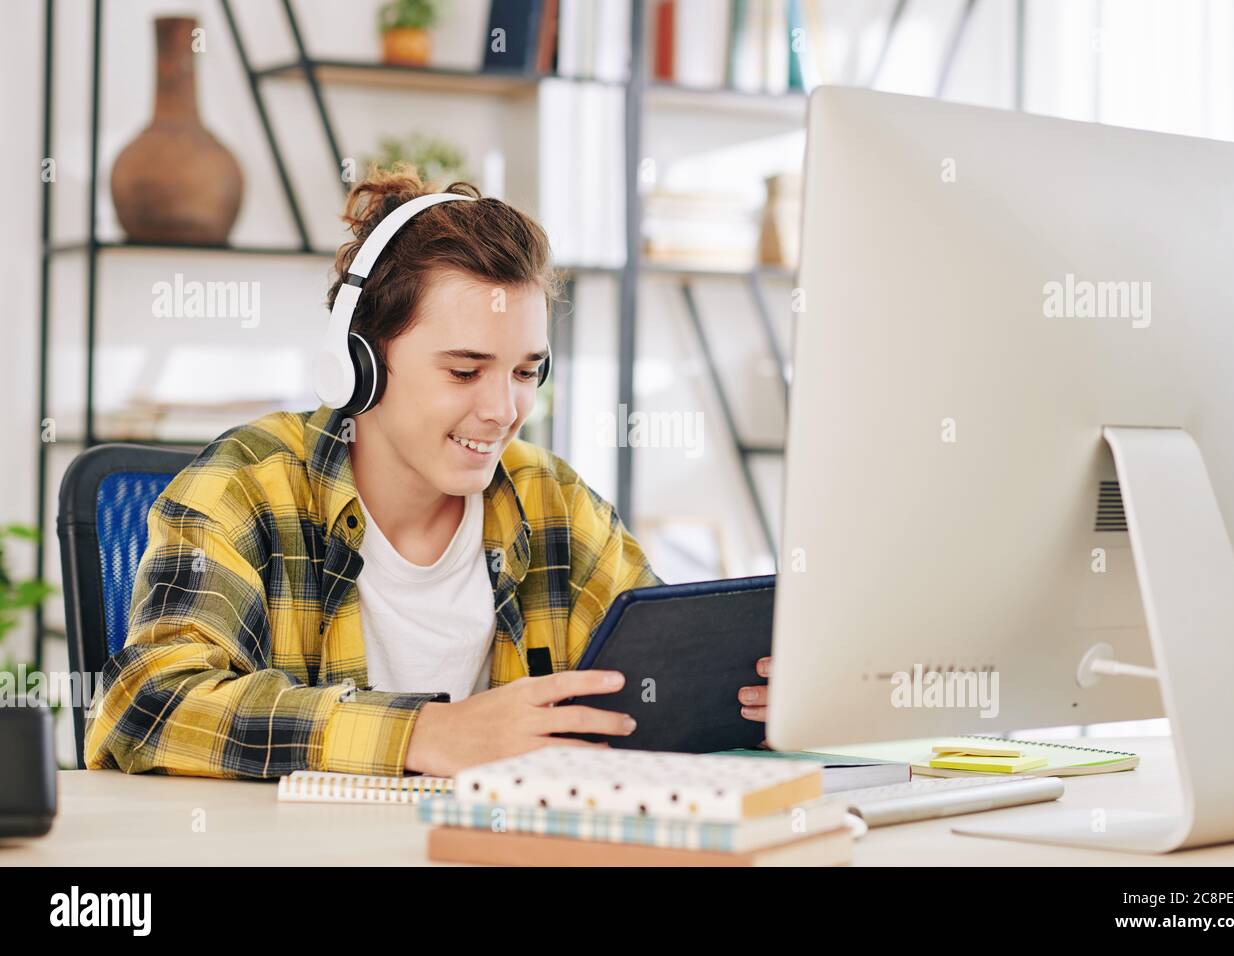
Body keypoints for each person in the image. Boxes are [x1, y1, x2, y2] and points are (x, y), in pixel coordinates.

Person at [84, 165, 771, 779]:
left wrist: (738, 696)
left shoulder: (550, 500)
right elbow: (148, 705)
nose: (503, 410)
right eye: (465, 370)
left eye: (527, 372)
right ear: (362, 363)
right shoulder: (246, 486)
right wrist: (424, 732)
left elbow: (656, 678)